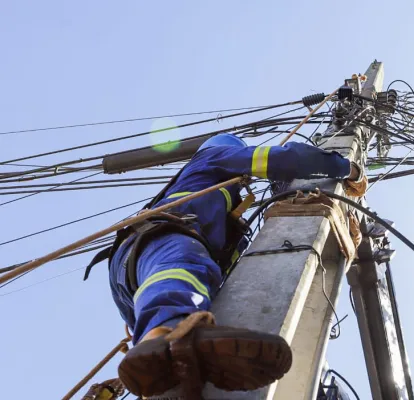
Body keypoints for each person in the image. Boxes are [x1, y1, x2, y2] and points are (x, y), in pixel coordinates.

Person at [85, 133, 365, 397]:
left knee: (189, 296)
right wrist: (346, 169)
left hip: (137, 282)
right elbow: (286, 160)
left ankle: (169, 367)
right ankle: (171, 335)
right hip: (162, 245)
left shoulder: (225, 215)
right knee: (189, 267)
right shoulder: (215, 157)